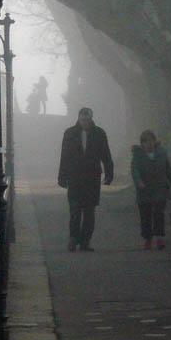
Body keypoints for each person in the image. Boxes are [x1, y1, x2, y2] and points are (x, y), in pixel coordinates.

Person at [57, 107, 114, 251]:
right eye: (83, 119)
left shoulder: (99, 133)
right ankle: (73, 238)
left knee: (89, 212)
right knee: (75, 210)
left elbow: (106, 155)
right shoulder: (69, 133)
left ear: (91, 118)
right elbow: (64, 156)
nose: (85, 122)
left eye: (87, 119)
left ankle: (85, 241)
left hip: (92, 177)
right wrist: (62, 176)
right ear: (79, 118)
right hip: (74, 177)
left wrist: (109, 173)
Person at [131, 130, 171, 250]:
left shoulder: (162, 154)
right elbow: (134, 171)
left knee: (159, 214)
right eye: (146, 141)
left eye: (151, 141)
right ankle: (148, 239)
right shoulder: (137, 155)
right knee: (145, 216)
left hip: (160, 189)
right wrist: (139, 182)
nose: (149, 144)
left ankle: (159, 238)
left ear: (155, 141)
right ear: (142, 144)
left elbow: (169, 170)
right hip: (144, 190)